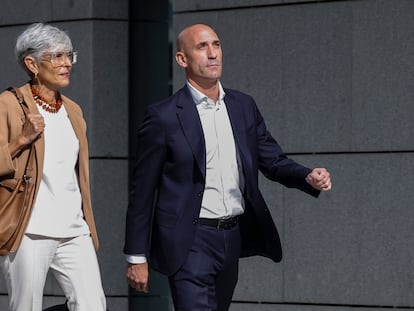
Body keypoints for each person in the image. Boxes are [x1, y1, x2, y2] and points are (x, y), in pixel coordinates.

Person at [124, 23, 332, 311]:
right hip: (189, 240)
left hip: (231, 237)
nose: (212, 54)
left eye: (216, 45)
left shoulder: (243, 106)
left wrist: (307, 176)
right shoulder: (163, 117)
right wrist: (136, 256)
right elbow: (142, 192)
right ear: (182, 59)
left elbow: (272, 160)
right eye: (202, 47)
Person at [0, 23, 106, 311]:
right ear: (31, 63)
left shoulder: (73, 109)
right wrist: (21, 140)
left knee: (92, 304)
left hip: (74, 229)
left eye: (69, 55)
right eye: (57, 56)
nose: (67, 63)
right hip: (29, 228)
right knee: (26, 306)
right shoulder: (8, 104)